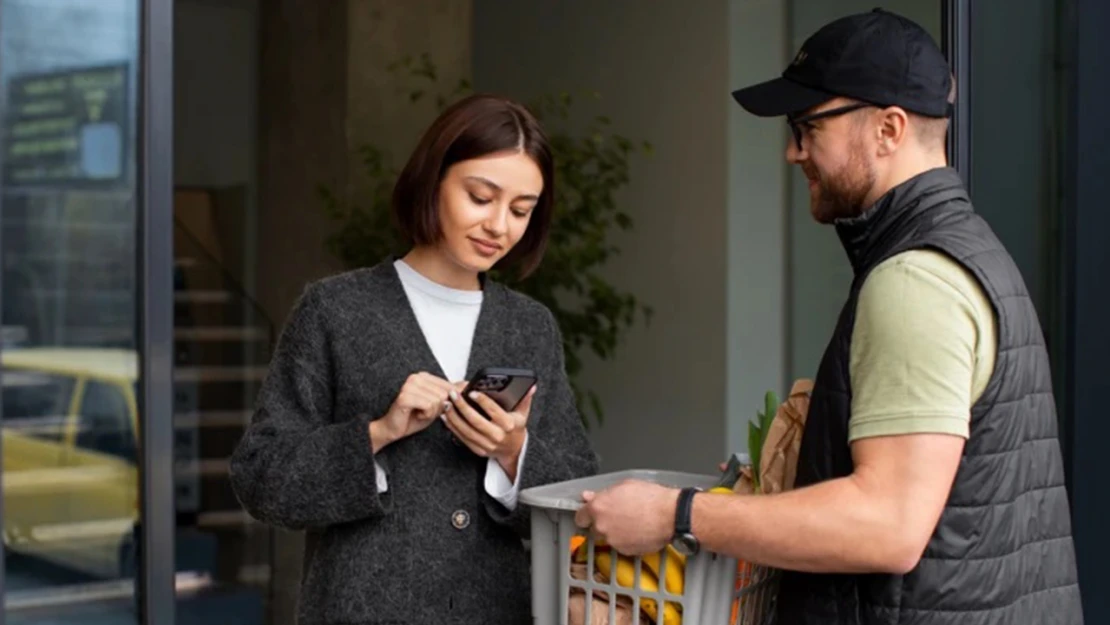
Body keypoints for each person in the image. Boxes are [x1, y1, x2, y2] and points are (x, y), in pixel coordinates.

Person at [573, 9, 1083, 625]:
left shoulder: (914, 280)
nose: (793, 152)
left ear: (889, 129)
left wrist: (678, 514)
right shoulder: (969, 252)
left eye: (808, 125)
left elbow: (888, 525)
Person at [229, 93, 600, 625]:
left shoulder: (530, 326)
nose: (499, 225)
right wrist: (376, 434)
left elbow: (579, 494)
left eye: (521, 210)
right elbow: (260, 479)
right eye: (480, 197)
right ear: (433, 181)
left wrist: (514, 452)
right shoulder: (335, 311)